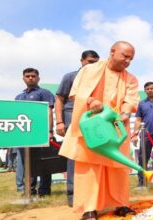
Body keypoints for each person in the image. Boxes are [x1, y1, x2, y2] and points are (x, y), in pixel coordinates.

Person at [58, 41, 139, 219]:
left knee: (118, 167)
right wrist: (91, 101)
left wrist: (125, 113)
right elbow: (75, 93)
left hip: (116, 128)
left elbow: (131, 100)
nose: (128, 61)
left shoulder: (131, 78)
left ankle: (120, 204)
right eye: (125, 56)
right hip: (92, 127)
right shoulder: (88, 70)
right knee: (89, 167)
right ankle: (89, 209)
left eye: (131, 59)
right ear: (112, 51)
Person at [55, 50, 100, 207]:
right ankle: (73, 195)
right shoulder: (70, 77)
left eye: (96, 61)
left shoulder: (100, 77)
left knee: (94, 157)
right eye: (89, 61)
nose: (93, 64)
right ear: (81, 61)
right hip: (72, 118)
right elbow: (59, 99)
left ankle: (93, 195)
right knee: (74, 156)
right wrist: (59, 122)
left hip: (94, 121)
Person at [15, 68, 55, 196]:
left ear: (38, 78)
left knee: (43, 162)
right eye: (27, 76)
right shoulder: (19, 97)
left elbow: (49, 112)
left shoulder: (44, 93)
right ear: (23, 79)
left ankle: (44, 190)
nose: (30, 78)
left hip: (40, 134)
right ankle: (29, 189)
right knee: (27, 163)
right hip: (24, 135)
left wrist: (49, 131)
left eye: (33, 76)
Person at [131, 82, 153, 187]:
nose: (150, 90)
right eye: (147, 89)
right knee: (143, 158)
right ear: (145, 91)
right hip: (146, 135)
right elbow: (138, 120)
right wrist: (135, 134)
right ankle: (142, 181)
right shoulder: (141, 103)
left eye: (152, 88)